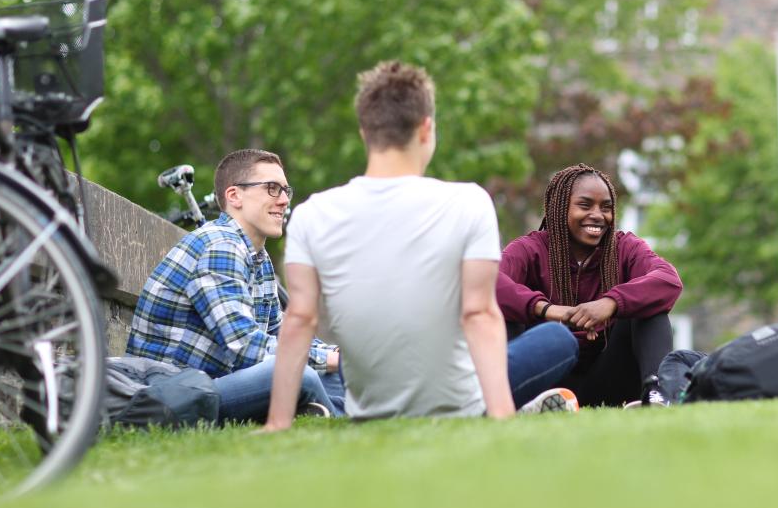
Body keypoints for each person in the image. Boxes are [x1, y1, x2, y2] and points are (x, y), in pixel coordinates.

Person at [263, 61, 578, 428]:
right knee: (558, 337)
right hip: (458, 404)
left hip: (368, 409)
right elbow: (479, 314)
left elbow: (300, 319)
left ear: (365, 132)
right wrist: (500, 419)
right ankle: (515, 406)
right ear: (426, 128)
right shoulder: (469, 202)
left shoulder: (311, 214)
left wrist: (277, 424)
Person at [127, 149, 345, 422]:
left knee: (335, 373)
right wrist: (331, 361)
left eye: (286, 190)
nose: (284, 200)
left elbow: (281, 333)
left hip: (213, 386)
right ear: (234, 196)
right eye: (272, 189)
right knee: (302, 373)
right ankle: (337, 420)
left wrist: (338, 355)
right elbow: (245, 346)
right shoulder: (220, 245)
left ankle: (337, 417)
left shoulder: (258, 258)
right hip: (175, 395)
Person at [497, 163, 683, 407]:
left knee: (650, 311)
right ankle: (510, 402)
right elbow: (489, 283)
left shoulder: (624, 248)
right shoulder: (529, 250)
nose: (598, 215)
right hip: (545, 384)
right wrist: (545, 308)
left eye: (606, 208)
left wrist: (612, 303)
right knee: (506, 311)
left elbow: (667, 279)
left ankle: (657, 397)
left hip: (607, 379)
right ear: (560, 208)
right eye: (585, 205)